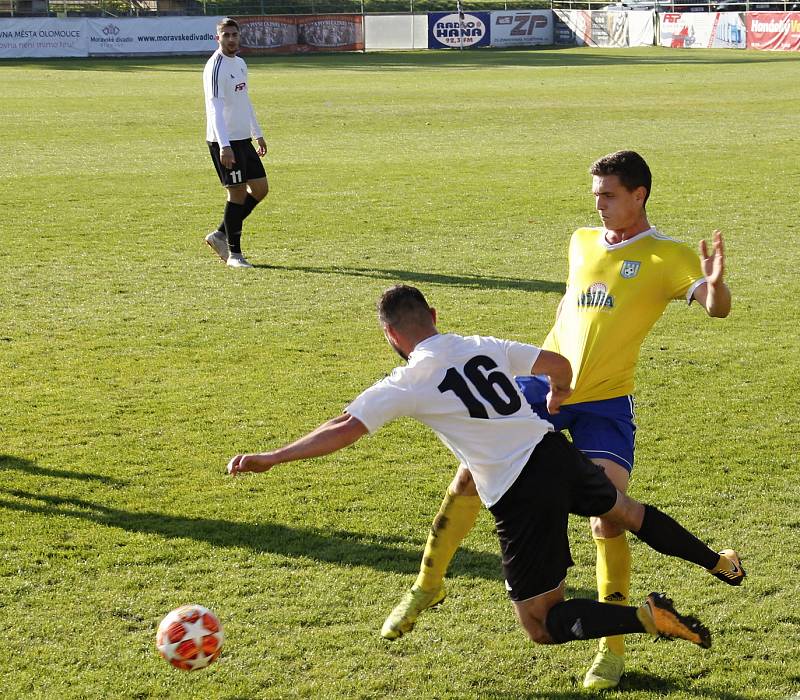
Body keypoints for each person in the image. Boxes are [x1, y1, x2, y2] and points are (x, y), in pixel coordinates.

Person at [227, 285, 744, 664]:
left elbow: (343, 428)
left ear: (390, 335)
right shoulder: (478, 343)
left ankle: (648, 618)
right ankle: (718, 562)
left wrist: (271, 457)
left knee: (541, 623)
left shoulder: (408, 381)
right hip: (554, 451)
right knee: (626, 511)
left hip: (519, 492)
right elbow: (556, 365)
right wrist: (558, 395)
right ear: (433, 314)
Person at [382, 150, 734, 690]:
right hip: (543, 383)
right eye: (594, 193)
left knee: (609, 516)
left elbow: (714, 306)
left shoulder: (670, 256)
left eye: (609, 194)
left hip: (605, 402)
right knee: (470, 473)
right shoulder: (581, 240)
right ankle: (428, 583)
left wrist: (715, 287)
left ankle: (610, 651)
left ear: (639, 195)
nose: (598, 204)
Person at [202, 17, 268, 269]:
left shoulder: (240, 63)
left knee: (260, 189)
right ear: (217, 37)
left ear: (240, 36)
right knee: (237, 192)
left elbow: (244, 100)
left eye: (234, 34)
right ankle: (235, 255)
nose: (231, 39)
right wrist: (224, 145)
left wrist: (257, 132)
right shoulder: (215, 67)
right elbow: (215, 109)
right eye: (225, 35)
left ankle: (220, 234)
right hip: (225, 140)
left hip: (243, 139)